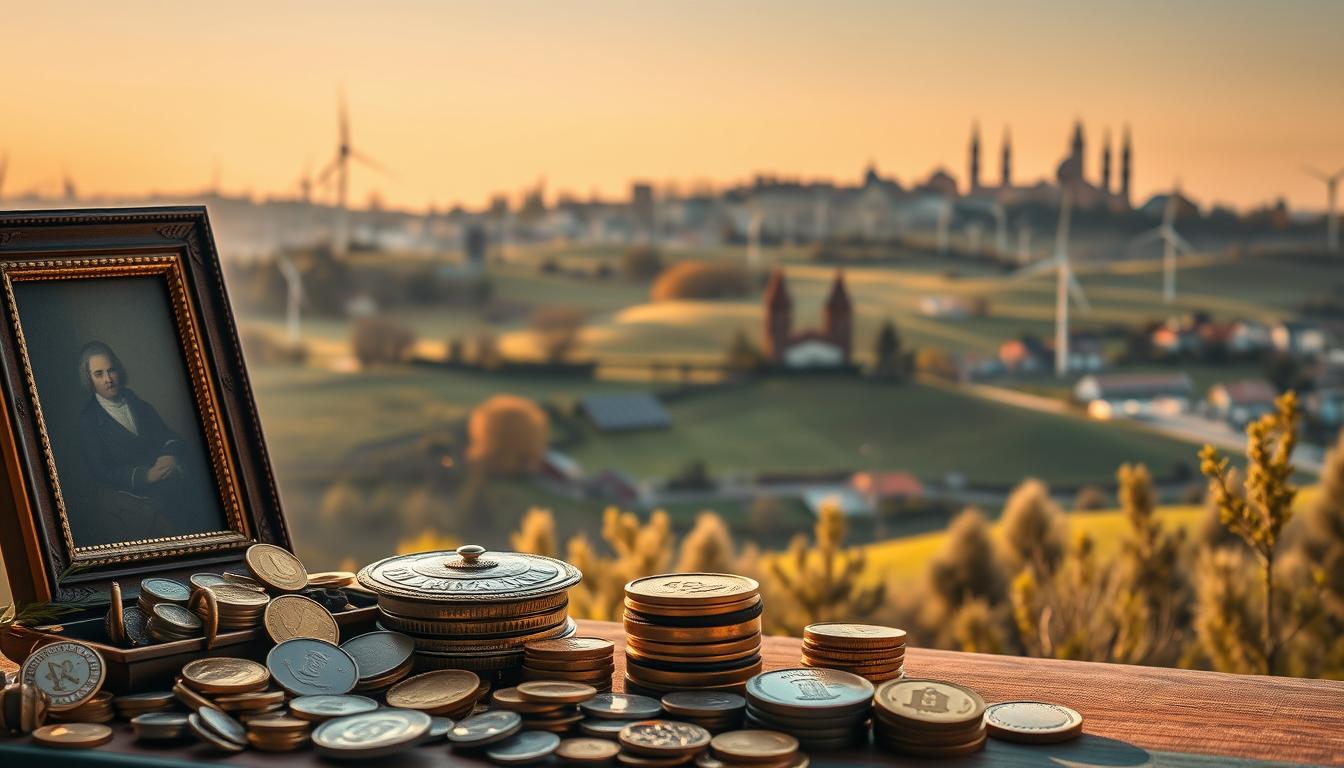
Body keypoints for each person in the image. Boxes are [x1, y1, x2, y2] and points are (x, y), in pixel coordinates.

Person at [76, 341, 197, 536]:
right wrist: (146, 476)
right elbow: (102, 471)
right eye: (99, 374)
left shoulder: (137, 403)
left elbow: (168, 436)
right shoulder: (89, 421)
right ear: (89, 379)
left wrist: (169, 455)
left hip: (165, 488)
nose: (108, 379)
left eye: (111, 370)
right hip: (130, 499)